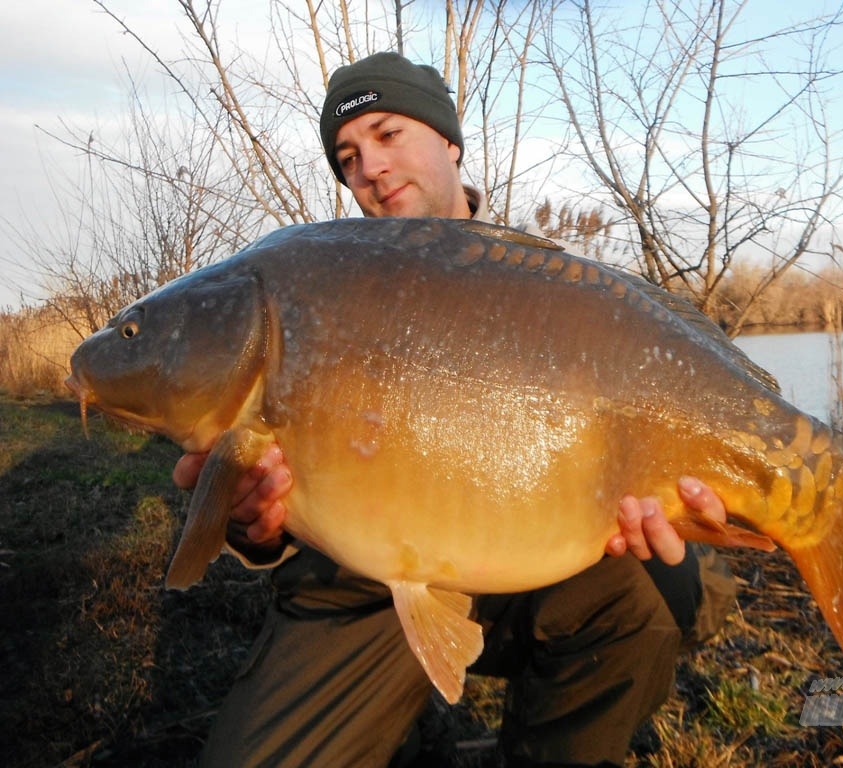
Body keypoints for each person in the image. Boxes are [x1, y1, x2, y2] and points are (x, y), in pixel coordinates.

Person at [175, 52, 736, 768]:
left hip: (528, 564)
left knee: (655, 607)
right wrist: (257, 530)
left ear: (449, 142)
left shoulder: (546, 290)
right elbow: (263, 494)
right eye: (348, 156)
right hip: (363, 587)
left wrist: (672, 516)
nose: (369, 167)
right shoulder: (323, 285)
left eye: (387, 134)